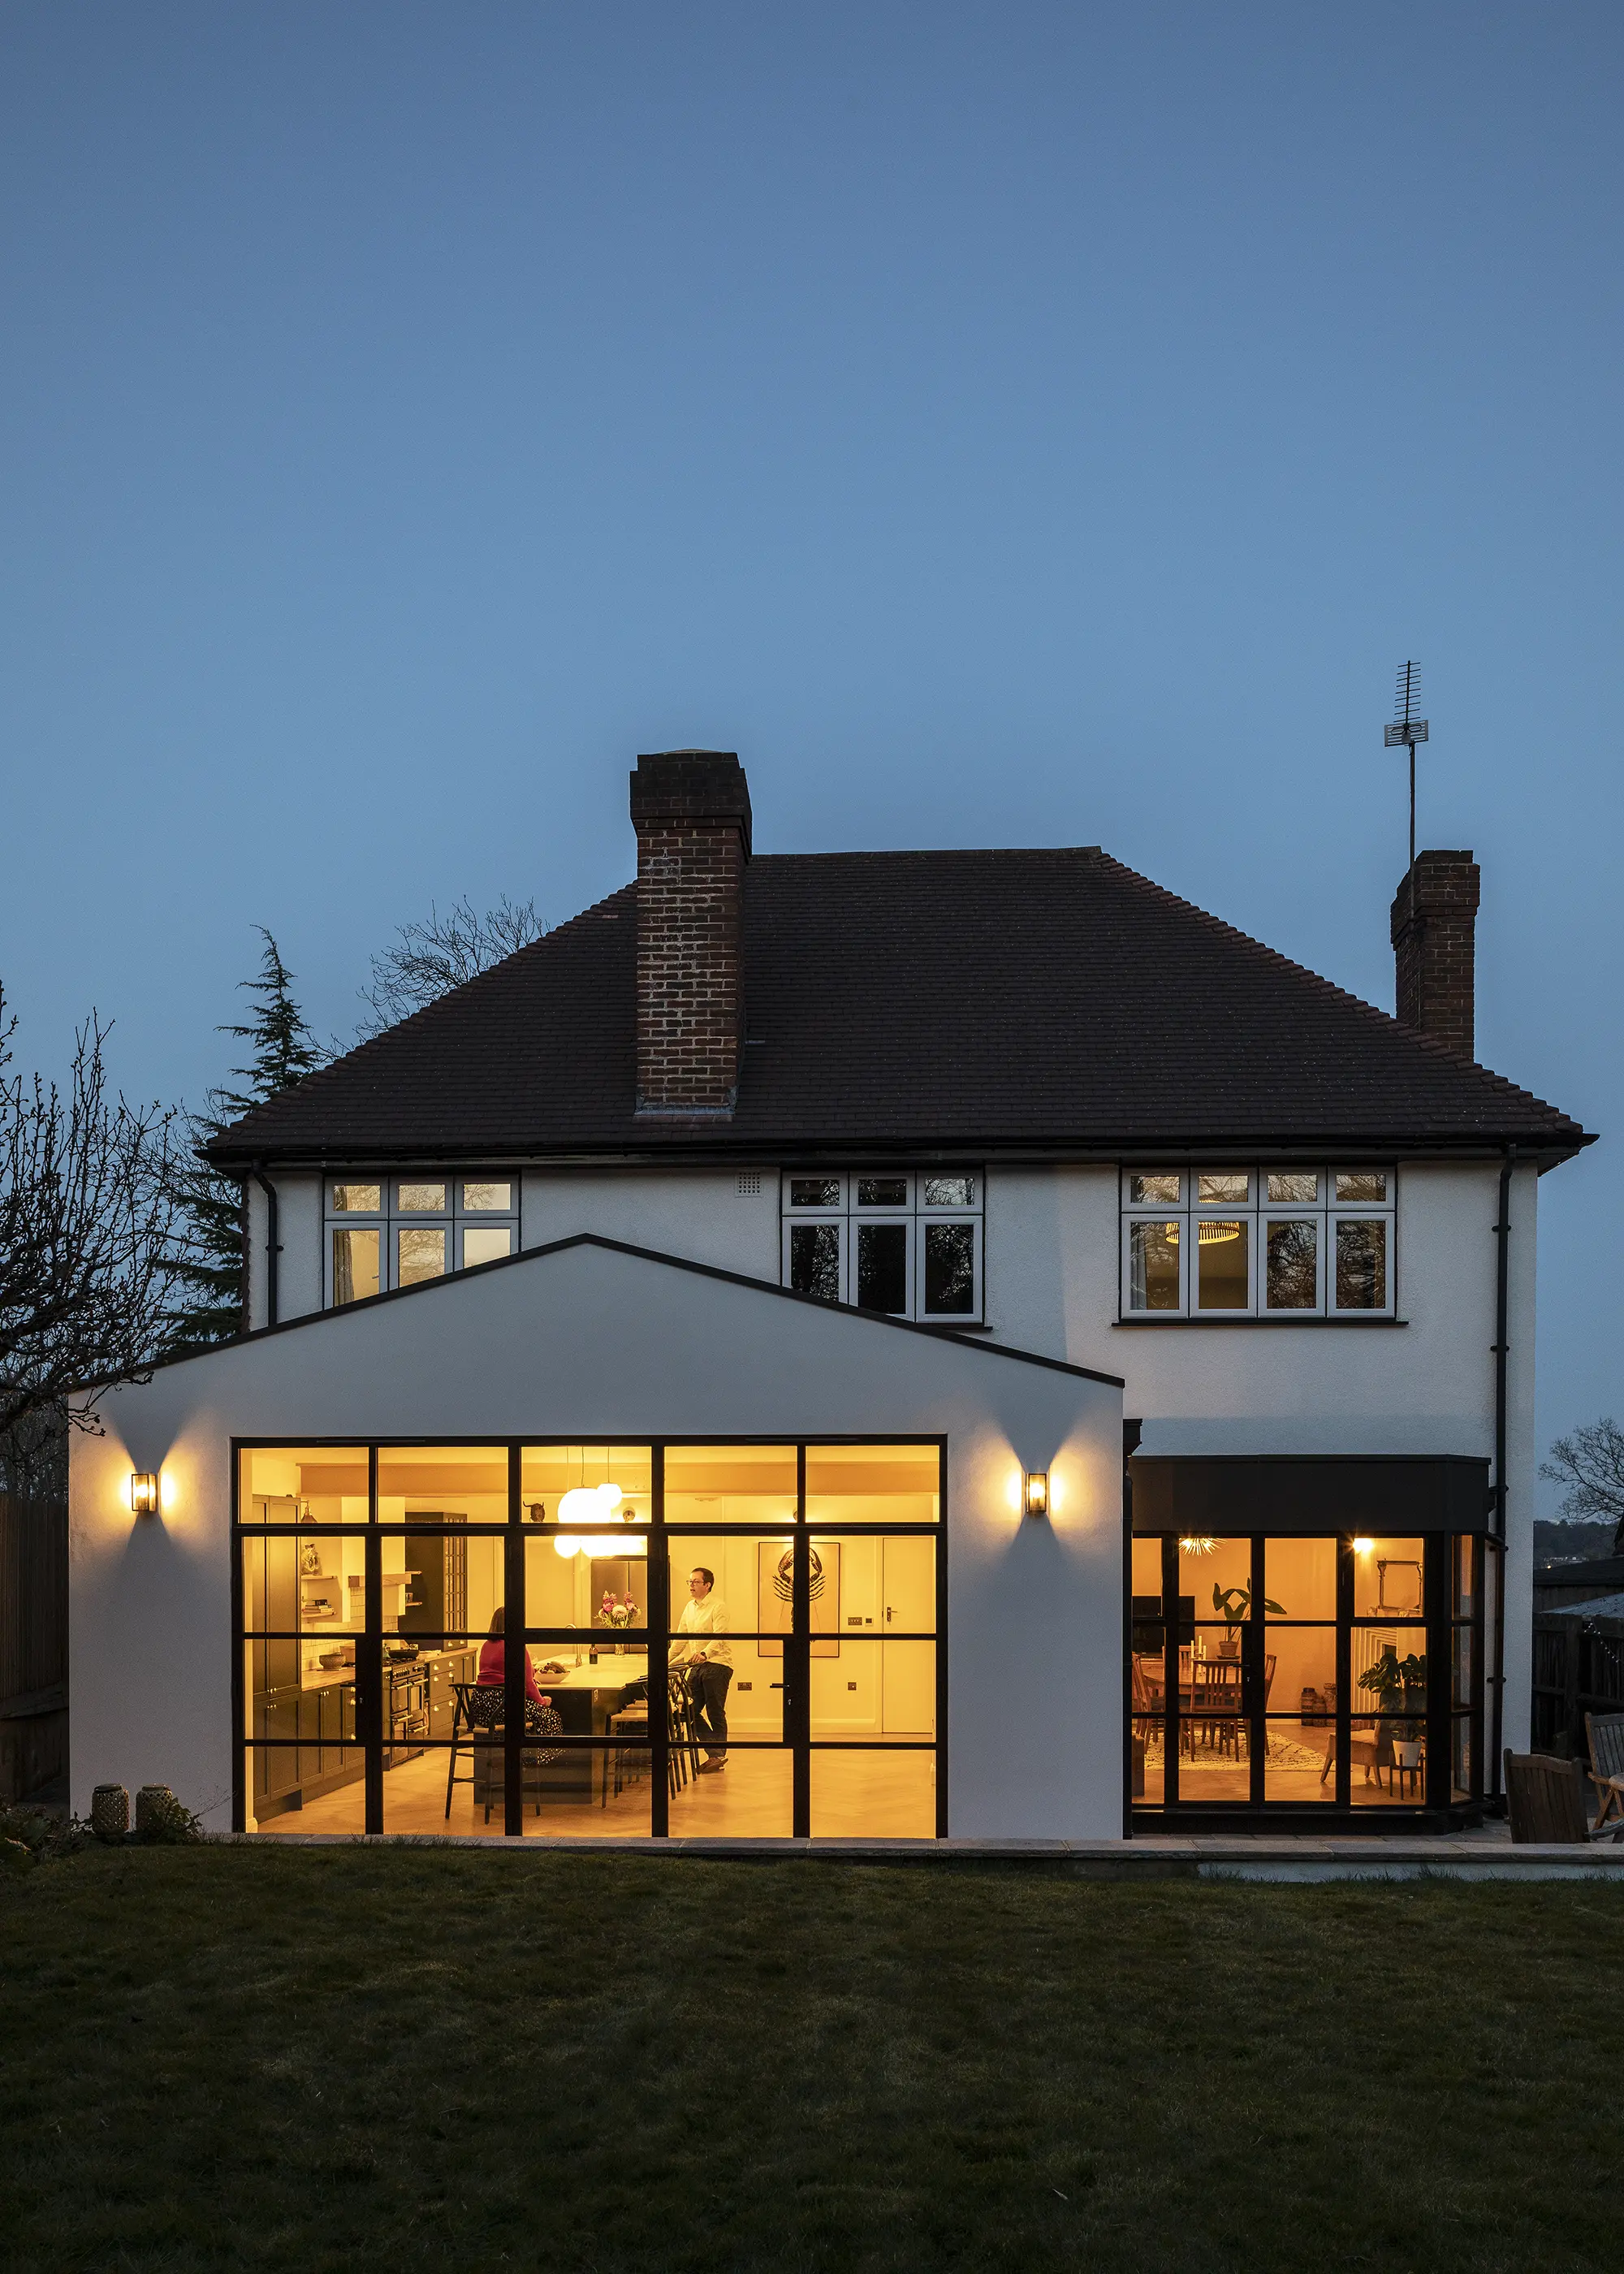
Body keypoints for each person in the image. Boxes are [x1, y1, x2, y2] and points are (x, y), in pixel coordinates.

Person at [673, 1565, 732, 1770]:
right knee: (687, 1710)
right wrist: (663, 1661)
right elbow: (679, 1640)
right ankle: (716, 1753)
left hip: (717, 1664)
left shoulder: (718, 1606)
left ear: (707, 1585)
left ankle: (717, 1756)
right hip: (697, 1666)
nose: (691, 1585)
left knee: (715, 1712)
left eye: (696, 1582)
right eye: (690, 1582)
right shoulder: (689, 1607)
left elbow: (720, 1635)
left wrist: (705, 1653)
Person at [471, 1606, 559, 1736]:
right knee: (551, 1718)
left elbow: (494, 1672)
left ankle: (514, 1753)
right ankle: (533, 1755)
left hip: (480, 1708)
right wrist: (542, 1701)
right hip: (503, 1706)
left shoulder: (486, 1645)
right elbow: (528, 1684)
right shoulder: (515, 1645)